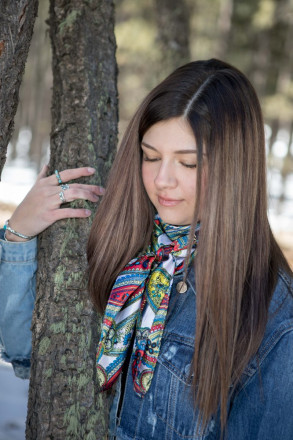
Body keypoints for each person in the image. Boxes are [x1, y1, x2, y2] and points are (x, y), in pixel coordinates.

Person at [1, 58, 293, 440]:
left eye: (188, 164)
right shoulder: (123, 241)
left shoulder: (271, 315)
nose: (161, 180)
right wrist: (18, 234)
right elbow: (30, 351)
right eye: (150, 156)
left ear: (234, 168)